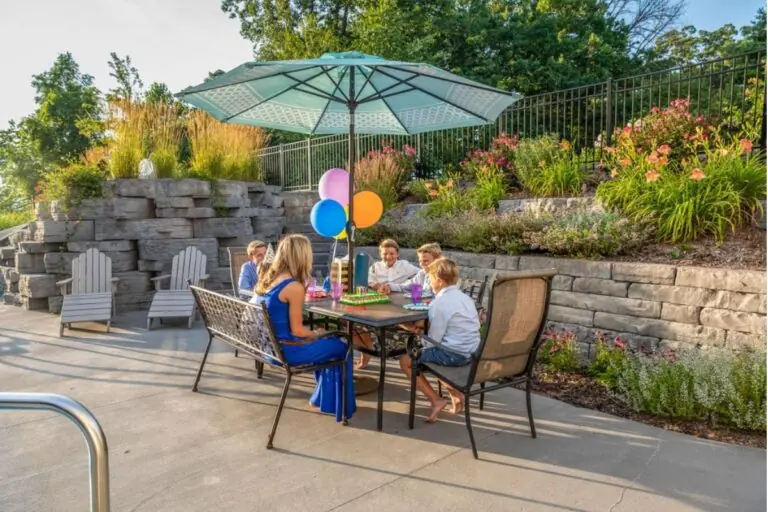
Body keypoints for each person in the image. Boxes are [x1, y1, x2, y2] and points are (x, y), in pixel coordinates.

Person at [251, 234, 356, 422]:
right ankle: (336, 405)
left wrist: (316, 335)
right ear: (301, 256)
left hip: (270, 349)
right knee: (343, 345)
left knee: (327, 341)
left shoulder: (269, 278)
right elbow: (298, 331)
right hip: (288, 351)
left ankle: (321, 398)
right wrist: (316, 333)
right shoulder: (293, 286)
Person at [399, 257, 481, 423]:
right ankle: (456, 396)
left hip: (454, 355)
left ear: (439, 280)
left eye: (429, 279)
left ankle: (436, 400)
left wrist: (413, 330)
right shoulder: (465, 298)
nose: (428, 283)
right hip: (472, 351)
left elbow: (431, 342)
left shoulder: (440, 303)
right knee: (432, 356)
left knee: (407, 360)